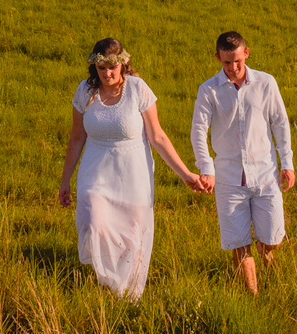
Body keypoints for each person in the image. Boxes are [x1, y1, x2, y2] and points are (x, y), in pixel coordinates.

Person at [58, 38, 203, 300]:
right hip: (95, 170)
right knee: (94, 223)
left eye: (112, 67)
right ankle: (109, 281)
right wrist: (65, 180)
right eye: (101, 68)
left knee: (131, 235)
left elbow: (157, 136)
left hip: (133, 172)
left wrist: (186, 174)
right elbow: (76, 137)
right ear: (95, 66)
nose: (107, 73)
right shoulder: (85, 91)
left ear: (124, 63)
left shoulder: (138, 89)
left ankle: (123, 296)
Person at [191, 31, 295, 296]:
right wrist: (207, 169)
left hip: (265, 174)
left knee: (272, 238)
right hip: (228, 179)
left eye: (237, 60)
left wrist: (287, 162)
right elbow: (198, 132)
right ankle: (254, 297)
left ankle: (268, 263)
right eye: (227, 62)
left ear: (246, 53)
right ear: (218, 58)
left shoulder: (266, 83)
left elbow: (280, 123)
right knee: (239, 243)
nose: (233, 67)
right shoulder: (209, 90)